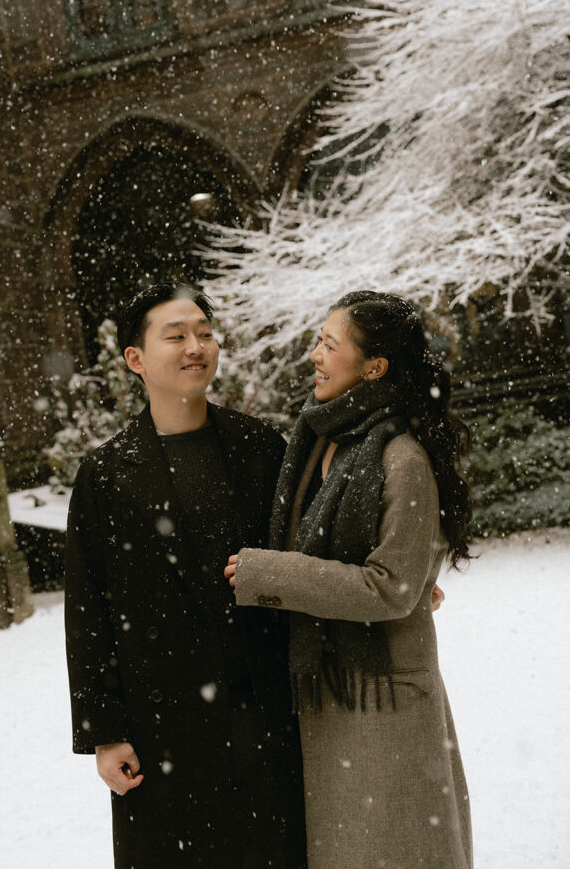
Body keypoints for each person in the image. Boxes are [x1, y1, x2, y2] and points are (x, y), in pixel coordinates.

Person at [225, 290, 473, 869]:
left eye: (328, 344)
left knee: (400, 851)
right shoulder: (318, 442)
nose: (314, 355)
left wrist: (270, 573)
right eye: (317, 341)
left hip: (384, 698)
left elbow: (389, 588)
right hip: (326, 691)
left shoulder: (401, 456)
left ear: (374, 367)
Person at [64, 282, 307, 869]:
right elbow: (87, 609)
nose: (196, 345)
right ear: (136, 360)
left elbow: (307, 553)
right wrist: (103, 732)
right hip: (161, 728)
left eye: (204, 332)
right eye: (176, 335)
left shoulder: (260, 447)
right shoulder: (105, 475)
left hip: (267, 714)